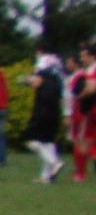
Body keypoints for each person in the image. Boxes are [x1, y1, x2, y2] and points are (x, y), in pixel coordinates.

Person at [23, 52, 67, 184]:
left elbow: (36, 83)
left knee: (30, 139)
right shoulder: (58, 77)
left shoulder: (43, 72)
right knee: (48, 143)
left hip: (42, 111)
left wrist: (27, 80)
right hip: (55, 112)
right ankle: (46, 176)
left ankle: (55, 162)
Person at [68, 43, 96, 183]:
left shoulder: (92, 70)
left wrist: (78, 97)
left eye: (84, 56)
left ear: (92, 56)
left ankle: (80, 174)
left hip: (91, 110)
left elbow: (91, 89)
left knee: (82, 141)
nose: (82, 59)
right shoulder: (87, 70)